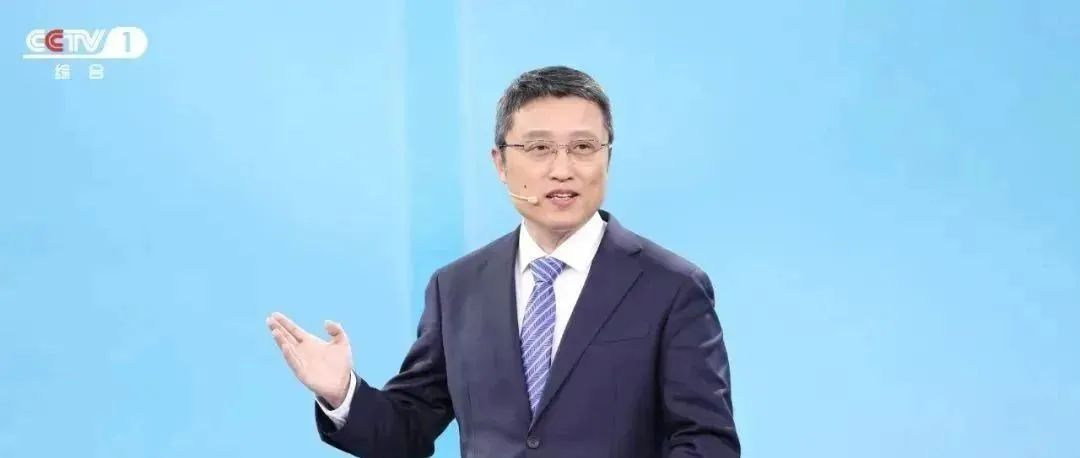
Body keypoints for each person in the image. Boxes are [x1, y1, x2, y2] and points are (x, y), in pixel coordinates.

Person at [266, 65, 740, 457]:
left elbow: (706, 442)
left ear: (607, 157)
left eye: (582, 147)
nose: (562, 169)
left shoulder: (672, 287)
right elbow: (407, 432)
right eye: (539, 148)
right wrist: (341, 392)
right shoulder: (456, 288)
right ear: (500, 163)